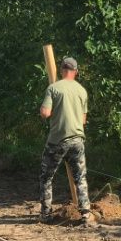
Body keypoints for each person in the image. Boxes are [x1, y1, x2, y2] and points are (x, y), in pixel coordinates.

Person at [39, 56, 94, 226]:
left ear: (62, 70)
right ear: (76, 72)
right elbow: (83, 120)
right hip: (78, 139)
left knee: (46, 177)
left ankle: (46, 214)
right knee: (80, 177)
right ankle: (86, 214)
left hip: (58, 140)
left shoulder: (53, 88)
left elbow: (45, 113)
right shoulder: (82, 91)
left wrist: (45, 110)